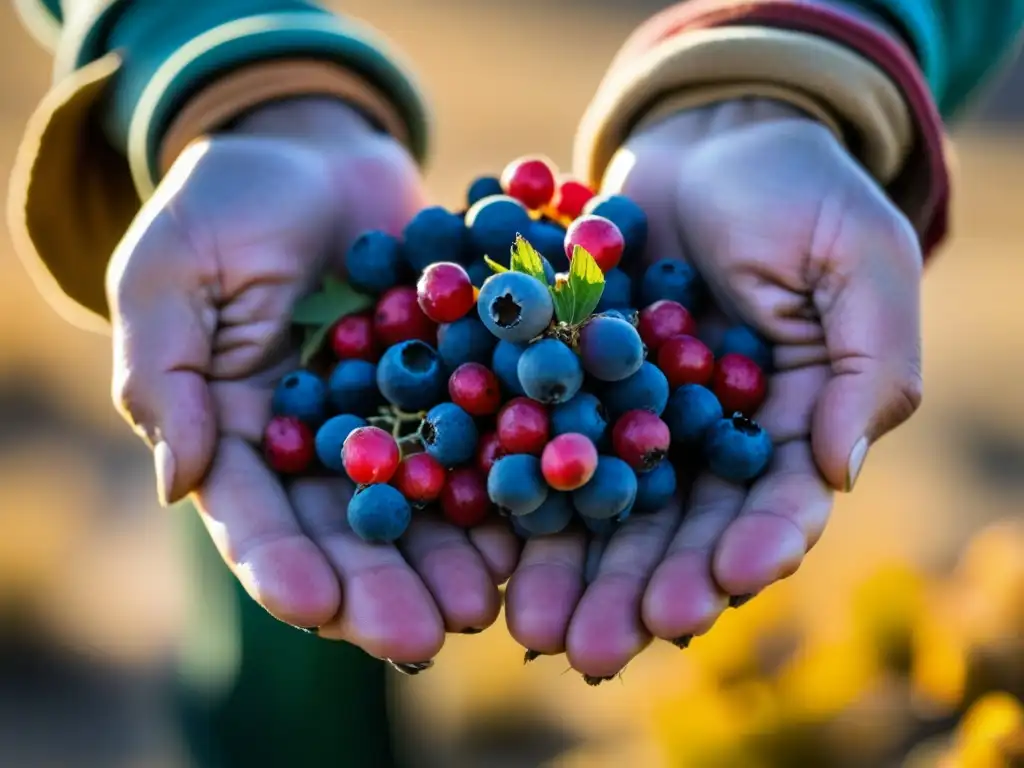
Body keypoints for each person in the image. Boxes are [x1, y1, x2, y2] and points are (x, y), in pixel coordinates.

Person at [9, 0, 1024, 763]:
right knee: (284, 654)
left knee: (319, 561)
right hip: (296, 362)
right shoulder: (410, 371)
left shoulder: (578, 368)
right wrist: (214, 68)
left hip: (371, 392)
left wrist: (806, 56)